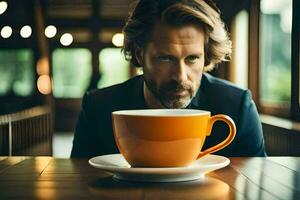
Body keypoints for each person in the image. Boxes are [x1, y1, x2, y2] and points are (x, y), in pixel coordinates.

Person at [71, 0, 266, 158]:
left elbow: (255, 185)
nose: (180, 76)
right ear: (139, 55)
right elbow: (78, 185)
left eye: (192, 58)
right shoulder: (98, 108)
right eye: (165, 58)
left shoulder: (237, 107)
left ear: (205, 55)